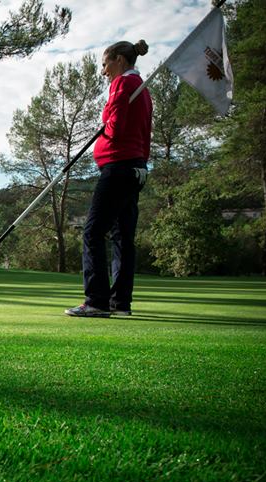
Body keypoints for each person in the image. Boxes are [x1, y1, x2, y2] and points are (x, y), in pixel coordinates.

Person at [66, 40, 152, 318]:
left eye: (105, 64)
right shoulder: (143, 90)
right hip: (135, 168)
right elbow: (143, 134)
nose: (103, 71)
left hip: (118, 167)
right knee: (122, 237)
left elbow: (114, 129)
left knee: (92, 232)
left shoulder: (123, 85)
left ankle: (97, 301)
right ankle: (120, 302)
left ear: (120, 60)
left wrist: (104, 122)